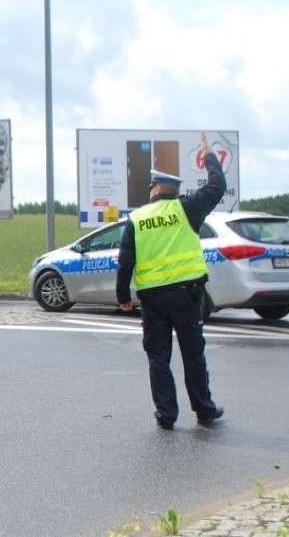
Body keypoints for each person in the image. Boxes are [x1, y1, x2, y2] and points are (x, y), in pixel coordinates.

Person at [116, 131, 226, 430]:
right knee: (193, 354)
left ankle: (166, 415)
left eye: (152, 185)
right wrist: (209, 156)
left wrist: (122, 296)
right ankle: (204, 410)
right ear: (174, 190)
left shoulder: (137, 218)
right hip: (187, 295)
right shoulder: (186, 208)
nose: (150, 189)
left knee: (158, 358)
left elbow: (126, 260)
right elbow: (217, 186)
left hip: (152, 299)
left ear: (157, 188)